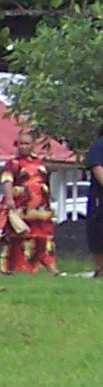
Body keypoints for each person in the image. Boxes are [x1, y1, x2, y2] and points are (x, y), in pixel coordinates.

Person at [0, 124, 57, 274]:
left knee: (44, 238)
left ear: (33, 145)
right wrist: (10, 200)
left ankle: (51, 268)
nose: (23, 146)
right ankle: (17, 269)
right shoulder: (12, 163)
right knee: (19, 238)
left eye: (27, 143)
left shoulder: (39, 163)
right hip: (20, 207)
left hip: (40, 209)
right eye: (21, 143)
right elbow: (7, 180)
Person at [85, 120, 103, 279]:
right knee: (98, 232)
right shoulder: (99, 146)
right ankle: (100, 268)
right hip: (100, 199)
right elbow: (98, 170)